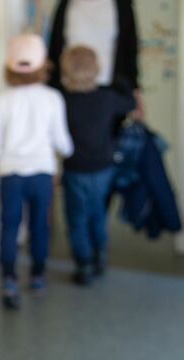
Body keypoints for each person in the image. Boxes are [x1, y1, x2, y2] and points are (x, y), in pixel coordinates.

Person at [0, 34, 74, 310]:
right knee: (39, 226)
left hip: (10, 173)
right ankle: (37, 276)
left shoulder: (1, 100)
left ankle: (9, 280)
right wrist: (69, 151)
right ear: (44, 66)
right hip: (42, 173)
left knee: (9, 226)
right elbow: (62, 142)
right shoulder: (52, 98)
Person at [59, 46, 136, 285]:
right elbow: (130, 104)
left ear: (66, 70)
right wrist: (122, 84)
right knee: (98, 213)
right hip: (103, 167)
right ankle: (100, 255)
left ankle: (83, 263)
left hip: (75, 168)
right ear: (97, 68)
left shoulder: (63, 100)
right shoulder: (107, 98)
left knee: (77, 217)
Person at [47, 0, 144, 118]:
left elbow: (130, 49)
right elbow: (54, 48)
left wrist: (135, 90)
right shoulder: (66, 4)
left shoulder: (122, 5)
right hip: (69, 90)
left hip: (110, 88)